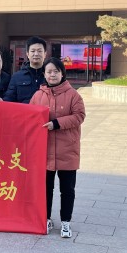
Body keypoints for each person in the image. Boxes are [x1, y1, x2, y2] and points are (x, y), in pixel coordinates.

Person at [30, 57, 86, 238]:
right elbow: (30, 116)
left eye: (56, 71)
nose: (52, 75)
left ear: (62, 73)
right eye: (49, 72)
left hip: (67, 150)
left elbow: (79, 116)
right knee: (45, 189)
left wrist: (56, 123)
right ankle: (45, 218)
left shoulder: (73, 95)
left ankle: (65, 222)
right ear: (44, 74)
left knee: (67, 189)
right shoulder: (38, 95)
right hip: (44, 151)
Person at [2, 36, 47, 103]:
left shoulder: (50, 76)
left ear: (45, 54)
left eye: (39, 51)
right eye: (33, 51)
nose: (36, 54)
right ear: (27, 54)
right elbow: (9, 99)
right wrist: (1, 101)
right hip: (24, 110)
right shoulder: (17, 77)